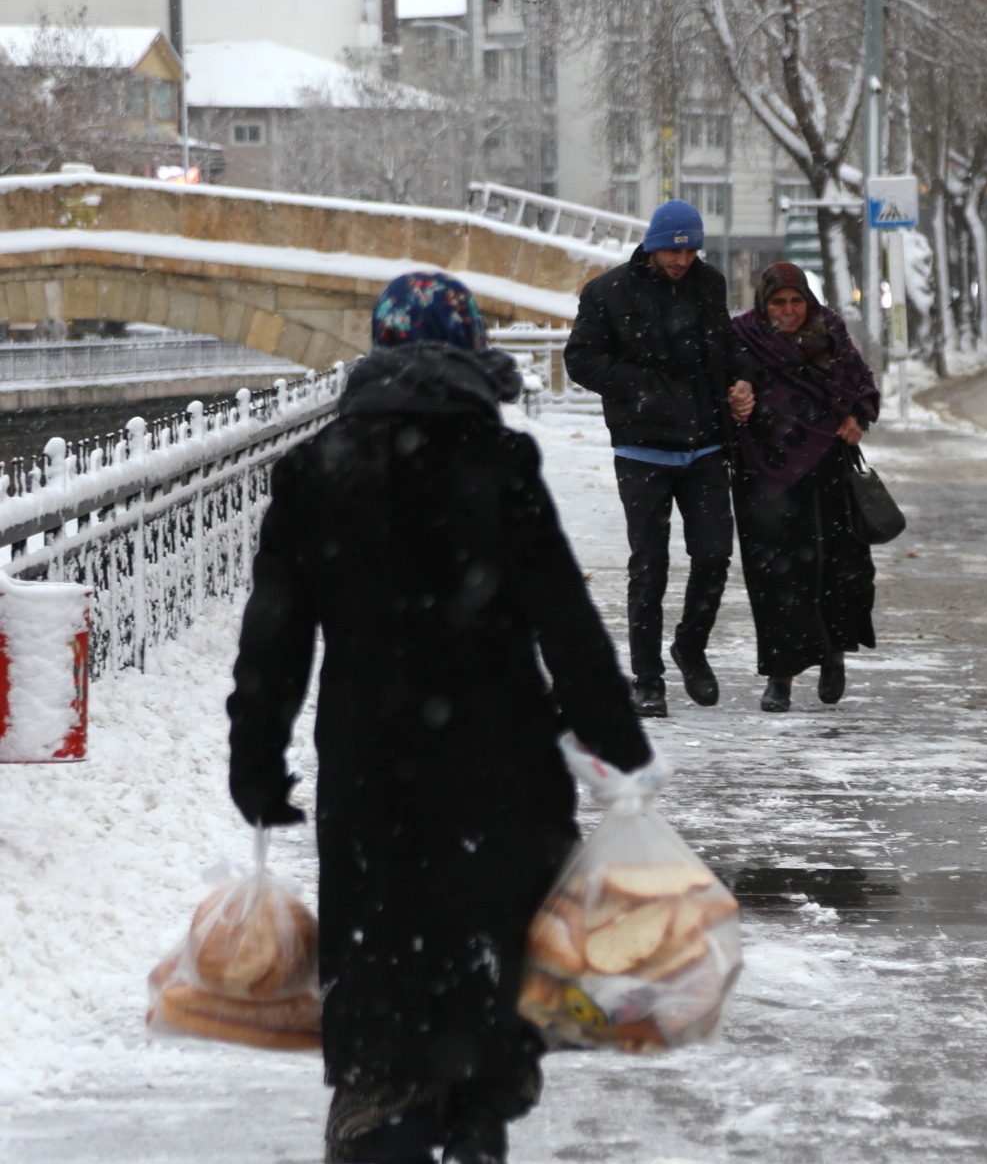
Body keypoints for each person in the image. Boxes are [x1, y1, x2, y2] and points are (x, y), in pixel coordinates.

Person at [227, 272, 652, 1164]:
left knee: (379, 940)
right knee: (491, 939)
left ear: (377, 350)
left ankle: (381, 1101)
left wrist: (257, 761)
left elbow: (274, 637)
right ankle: (477, 1109)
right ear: (471, 352)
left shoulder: (315, 469)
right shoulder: (499, 464)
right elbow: (562, 616)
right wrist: (614, 740)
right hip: (500, 759)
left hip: (372, 764)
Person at [564, 199, 754, 718]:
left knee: (714, 555)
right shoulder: (607, 292)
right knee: (649, 567)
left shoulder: (708, 284)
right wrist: (643, 388)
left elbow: (726, 346)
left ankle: (690, 647)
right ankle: (647, 679)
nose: (682, 259)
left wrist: (741, 381)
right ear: (652, 244)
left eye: (691, 249)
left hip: (707, 445)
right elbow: (579, 358)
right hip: (641, 449)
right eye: (674, 248)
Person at [729, 261, 881, 713]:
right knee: (777, 578)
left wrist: (858, 417)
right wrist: (735, 398)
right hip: (767, 474)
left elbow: (863, 386)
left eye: (797, 301)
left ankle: (834, 657)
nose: (788, 310)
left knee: (840, 573)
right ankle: (780, 676)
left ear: (809, 301)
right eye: (778, 302)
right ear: (764, 302)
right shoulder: (743, 337)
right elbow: (724, 386)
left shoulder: (830, 331)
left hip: (829, 470)